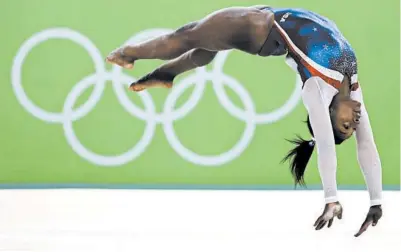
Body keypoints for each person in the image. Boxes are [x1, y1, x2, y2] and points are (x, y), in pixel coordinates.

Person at [105, 6, 383, 237]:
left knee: (189, 35)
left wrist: (330, 198)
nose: (356, 122)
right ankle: (167, 73)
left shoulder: (316, 90)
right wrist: (376, 201)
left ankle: (131, 53)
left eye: (346, 125)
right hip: (269, 33)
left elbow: (325, 145)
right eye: (351, 127)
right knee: (207, 47)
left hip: (261, 26)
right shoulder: (353, 88)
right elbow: (367, 145)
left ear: (328, 111)